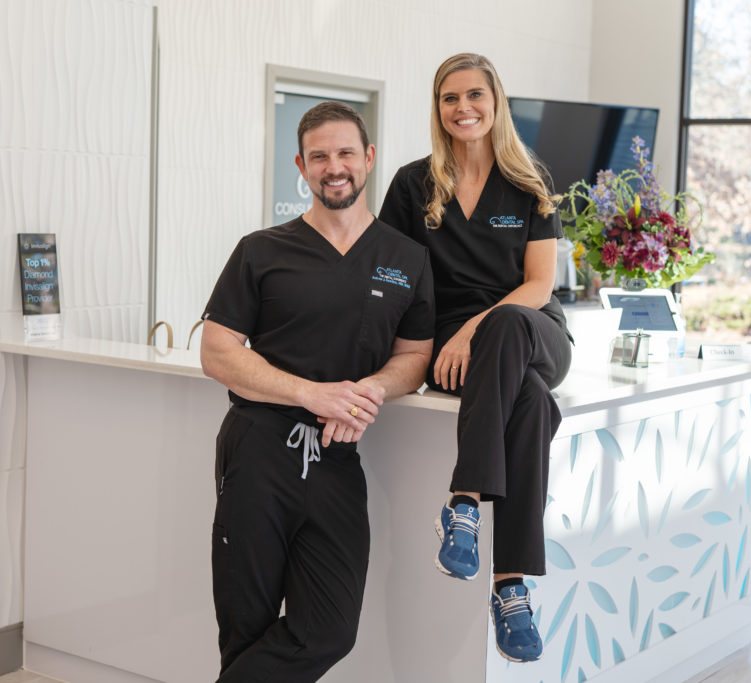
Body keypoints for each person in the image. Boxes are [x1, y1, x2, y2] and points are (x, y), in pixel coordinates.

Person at [200, 101, 435, 682]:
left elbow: (415, 357)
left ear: (369, 159)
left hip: (336, 461)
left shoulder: (406, 258)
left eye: (346, 153)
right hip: (258, 452)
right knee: (246, 624)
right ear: (301, 166)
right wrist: (311, 394)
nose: (335, 167)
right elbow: (217, 352)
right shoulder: (261, 250)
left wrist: (369, 392)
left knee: (330, 628)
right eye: (320, 156)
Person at [379, 53, 573, 663]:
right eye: (448, 98)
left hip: (534, 334)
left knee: (512, 323)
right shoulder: (414, 185)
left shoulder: (529, 181)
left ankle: (464, 501)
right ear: (437, 109)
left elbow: (538, 286)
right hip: (457, 358)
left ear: (496, 101)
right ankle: (509, 585)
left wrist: (472, 331)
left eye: (474, 95)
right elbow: (392, 278)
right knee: (533, 409)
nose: (463, 108)